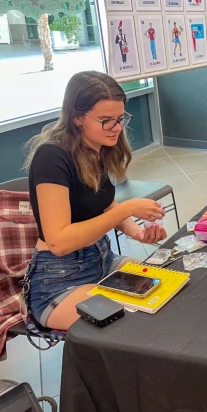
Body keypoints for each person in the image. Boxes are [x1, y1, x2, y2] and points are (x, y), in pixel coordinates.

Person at [22, 71, 167, 331]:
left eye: (120, 118)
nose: (117, 128)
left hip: (102, 260)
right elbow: (59, 242)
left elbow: (103, 203)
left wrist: (137, 232)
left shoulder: (94, 146)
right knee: (133, 326)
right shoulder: (51, 157)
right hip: (58, 280)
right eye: (106, 120)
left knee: (167, 288)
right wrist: (128, 208)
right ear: (77, 117)